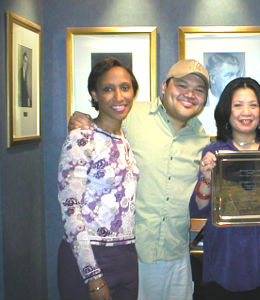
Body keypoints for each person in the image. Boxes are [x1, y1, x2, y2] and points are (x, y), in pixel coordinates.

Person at [69, 59, 211, 300]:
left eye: (199, 89)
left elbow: (199, 199)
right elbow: (94, 134)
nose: (190, 94)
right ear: (165, 87)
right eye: (183, 85)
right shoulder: (131, 114)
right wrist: (79, 120)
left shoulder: (201, 137)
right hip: (131, 255)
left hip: (176, 254)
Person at [189, 77, 260, 299]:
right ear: (227, 111)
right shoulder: (214, 153)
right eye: (238, 105)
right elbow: (200, 209)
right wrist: (206, 178)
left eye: (253, 105)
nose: (246, 112)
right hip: (226, 256)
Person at [58, 57, 140, 300]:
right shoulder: (81, 139)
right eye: (108, 89)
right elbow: (70, 210)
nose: (118, 96)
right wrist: (92, 275)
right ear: (94, 94)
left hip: (126, 255)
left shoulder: (124, 138)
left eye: (125, 87)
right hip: (88, 256)